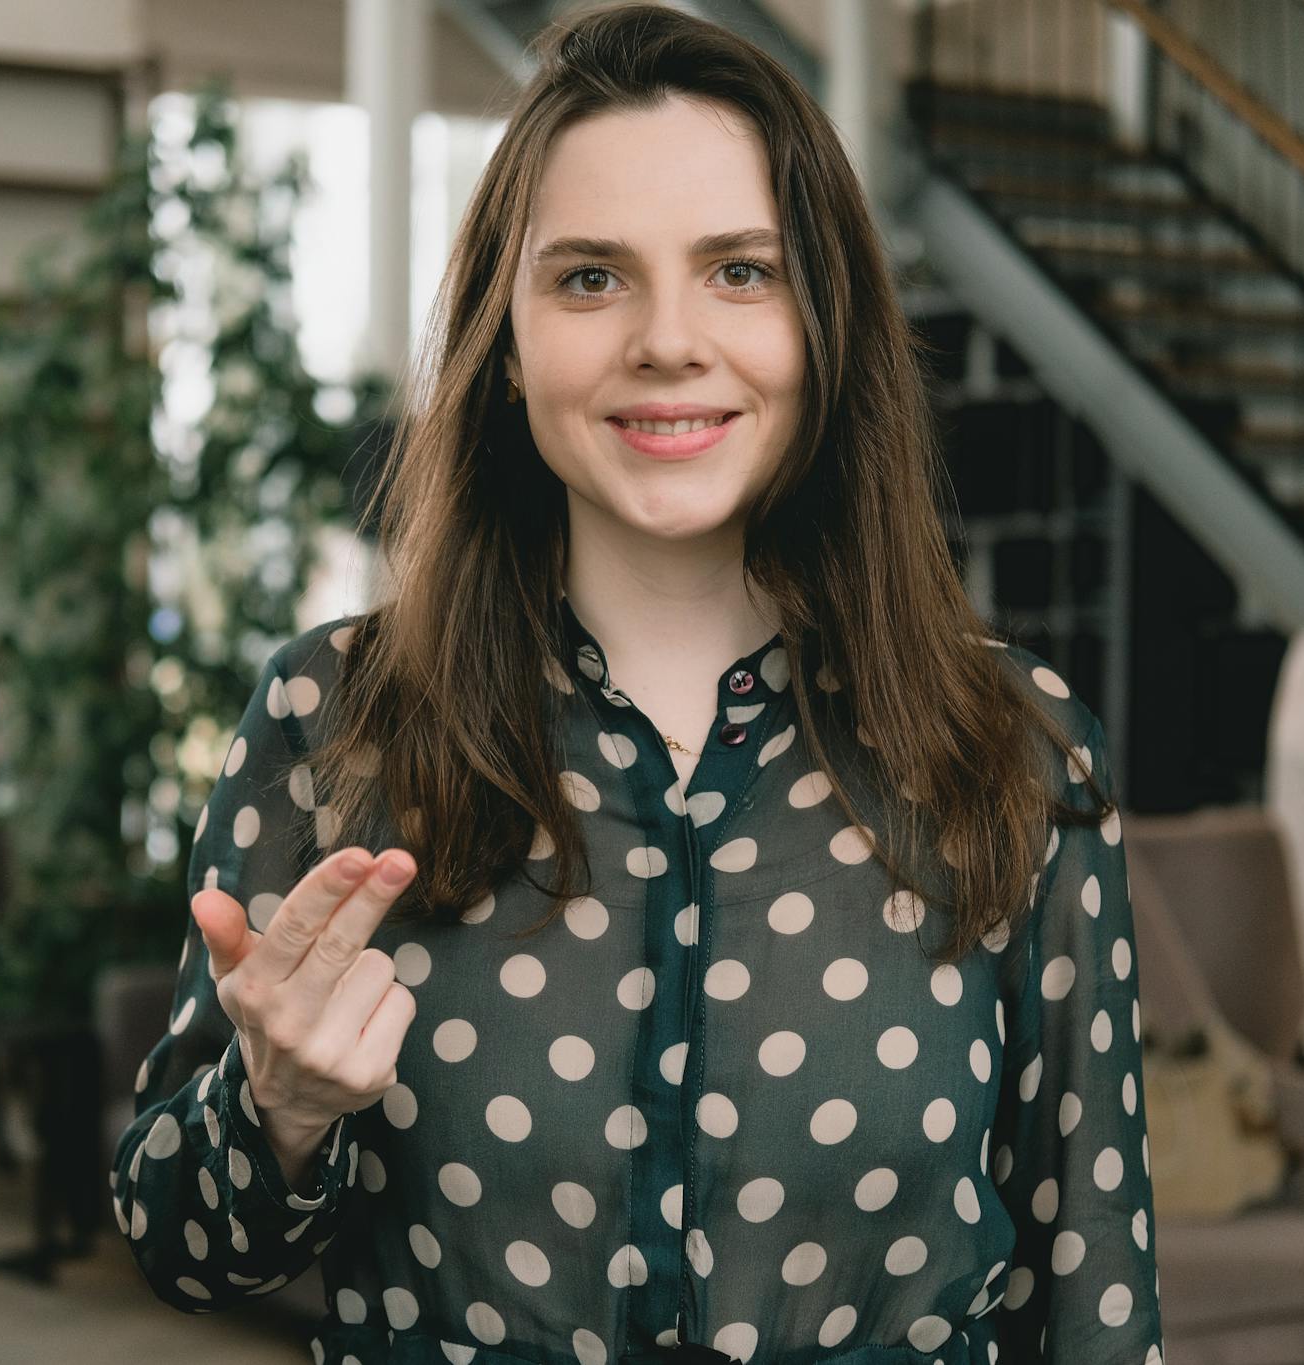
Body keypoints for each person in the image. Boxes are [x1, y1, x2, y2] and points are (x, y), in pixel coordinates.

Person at [110, 6, 1164, 1362]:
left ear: (826, 324)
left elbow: (1097, 1299)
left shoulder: (1015, 749)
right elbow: (172, 1234)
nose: (669, 340)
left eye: (740, 271)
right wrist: (280, 1107)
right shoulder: (336, 722)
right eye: (591, 278)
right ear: (505, 341)